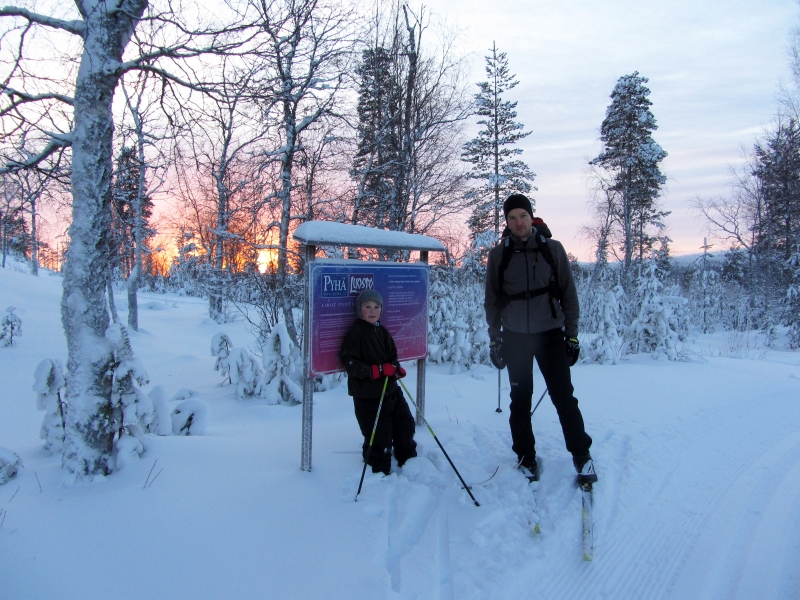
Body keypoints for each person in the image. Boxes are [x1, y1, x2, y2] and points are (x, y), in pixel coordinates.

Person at [484, 194, 597, 484]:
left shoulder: (552, 249)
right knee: (520, 401)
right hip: (515, 337)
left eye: (522, 215)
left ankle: (581, 455)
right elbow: (492, 301)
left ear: (531, 217)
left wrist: (571, 336)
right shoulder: (499, 255)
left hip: (549, 334)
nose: (518, 222)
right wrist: (495, 339)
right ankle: (526, 457)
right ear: (506, 222)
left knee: (564, 398)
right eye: (512, 217)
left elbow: (569, 295)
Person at [340, 289, 418, 475]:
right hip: (368, 395)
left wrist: (396, 369)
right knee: (379, 435)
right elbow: (350, 363)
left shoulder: (382, 332)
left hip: (391, 390)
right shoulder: (355, 333)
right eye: (367, 306)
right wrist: (378, 370)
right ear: (359, 309)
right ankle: (379, 470)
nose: (372, 311)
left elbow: (392, 356)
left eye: (376, 307)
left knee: (405, 425)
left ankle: (408, 458)